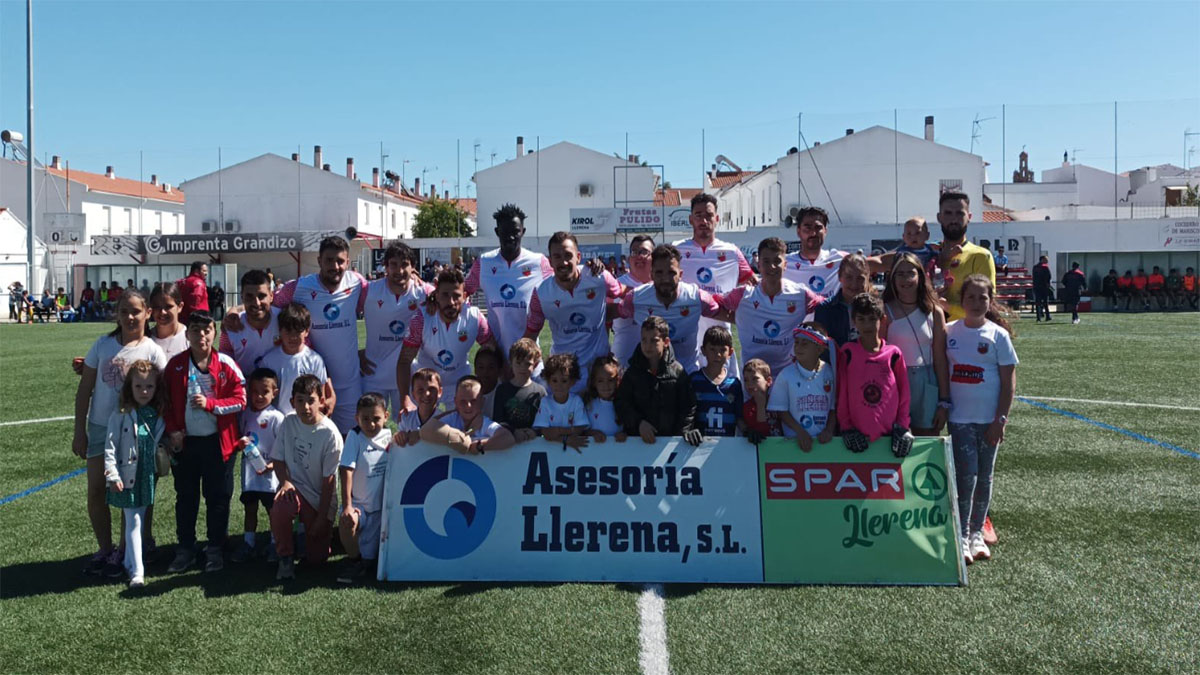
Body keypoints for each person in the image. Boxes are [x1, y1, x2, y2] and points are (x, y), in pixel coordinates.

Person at [227, 237, 369, 433]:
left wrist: (420, 283)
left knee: (349, 439)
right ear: (319, 261)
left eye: (340, 261)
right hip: (311, 380)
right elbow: (267, 301)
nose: (335, 266)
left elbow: (381, 301)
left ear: (348, 261)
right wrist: (235, 310)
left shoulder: (358, 284)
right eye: (329, 260)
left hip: (348, 382)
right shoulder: (299, 287)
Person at [72, 289, 167, 577]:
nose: (130, 316)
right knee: (97, 491)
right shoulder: (102, 345)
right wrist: (79, 430)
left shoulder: (152, 350)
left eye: (136, 311)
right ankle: (105, 548)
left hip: (136, 433)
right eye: (124, 310)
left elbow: (162, 394)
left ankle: (126, 552)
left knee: (131, 494)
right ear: (117, 313)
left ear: (147, 314)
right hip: (101, 427)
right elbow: (85, 389)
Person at [163, 311, 247, 574]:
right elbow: (164, 403)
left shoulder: (226, 363)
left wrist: (211, 405)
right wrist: (173, 430)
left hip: (218, 444)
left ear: (215, 333)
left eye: (207, 330)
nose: (202, 335)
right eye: (196, 330)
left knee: (218, 498)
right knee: (186, 497)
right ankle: (185, 548)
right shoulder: (175, 365)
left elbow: (240, 400)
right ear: (187, 335)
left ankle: (215, 548)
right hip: (186, 445)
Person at [946, 274, 1018, 564]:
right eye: (971, 297)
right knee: (966, 477)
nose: (976, 302)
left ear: (991, 301)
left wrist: (1000, 419)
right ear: (962, 301)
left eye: (982, 297)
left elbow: (1009, 382)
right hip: (959, 419)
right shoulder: (950, 331)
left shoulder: (997, 335)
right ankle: (961, 534)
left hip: (989, 421)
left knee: (985, 477)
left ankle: (977, 533)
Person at [524, 231, 622, 391]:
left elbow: (621, 294)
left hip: (598, 375)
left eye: (568, 255)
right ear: (549, 261)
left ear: (578, 257)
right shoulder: (540, 293)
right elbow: (531, 335)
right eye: (557, 256)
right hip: (563, 376)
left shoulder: (599, 277)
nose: (563, 262)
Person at [674, 192, 757, 374]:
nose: (704, 221)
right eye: (699, 215)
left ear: (717, 218)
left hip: (721, 343)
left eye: (709, 215)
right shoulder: (677, 250)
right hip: (686, 343)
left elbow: (754, 286)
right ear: (690, 219)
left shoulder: (732, 253)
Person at [270, 375, 343, 580]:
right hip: (295, 488)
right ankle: (285, 557)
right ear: (292, 402)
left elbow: (329, 481)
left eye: (311, 400)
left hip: (319, 498)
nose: (306, 407)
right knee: (281, 506)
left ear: (321, 401)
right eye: (300, 401)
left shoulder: (330, 434)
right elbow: (278, 459)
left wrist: (321, 517)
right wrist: (285, 482)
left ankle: (310, 538)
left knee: (316, 561)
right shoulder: (289, 422)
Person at [102, 359, 167, 588]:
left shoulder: (157, 415)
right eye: (138, 386)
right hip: (126, 476)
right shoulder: (121, 414)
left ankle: (129, 563)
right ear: (129, 387)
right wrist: (112, 475)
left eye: (149, 386)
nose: (144, 391)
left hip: (146, 477)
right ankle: (138, 572)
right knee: (134, 521)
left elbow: (162, 443)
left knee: (138, 518)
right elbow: (110, 447)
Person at [463, 204, 554, 364]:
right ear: (497, 232)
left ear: (523, 232)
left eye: (515, 232)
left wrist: (589, 270)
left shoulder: (538, 262)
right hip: (497, 363)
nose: (510, 237)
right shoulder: (484, 262)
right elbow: (462, 291)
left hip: (530, 361)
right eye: (505, 232)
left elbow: (562, 283)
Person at [721, 237, 823, 377]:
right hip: (752, 379)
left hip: (788, 377)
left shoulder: (801, 294)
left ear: (785, 264)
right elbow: (713, 305)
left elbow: (827, 307)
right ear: (759, 264)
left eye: (777, 261)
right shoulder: (743, 295)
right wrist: (737, 319)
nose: (772, 267)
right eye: (766, 262)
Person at [617, 244, 727, 373]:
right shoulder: (635, 299)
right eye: (659, 273)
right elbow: (611, 313)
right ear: (651, 274)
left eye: (671, 273)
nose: (665, 279)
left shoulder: (697, 298)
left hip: (686, 375)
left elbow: (725, 314)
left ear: (680, 274)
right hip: (648, 377)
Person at [396, 268, 496, 407]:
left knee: (463, 427)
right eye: (445, 295)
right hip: (426, 384)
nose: (451, 302)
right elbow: (404, 361)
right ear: (436, 295)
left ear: (465, 296)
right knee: (418, 427)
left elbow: (492, 350)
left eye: (456, 296)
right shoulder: (422, 318)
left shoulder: (475, 318)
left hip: (459, 384)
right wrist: (405, 398)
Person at [881, 253, 950, 436]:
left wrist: (944, 400)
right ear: (892, 278)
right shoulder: (884, 311)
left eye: (910, 273)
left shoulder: (935, 312)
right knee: (894, 439)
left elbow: (940, 359)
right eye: (900, 274)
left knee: (926, 438)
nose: (905, 279)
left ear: (920, 276)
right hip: (895, 382)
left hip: (926, 381)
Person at [836, 294, 913, 457]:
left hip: (889, 438)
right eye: (861, 319)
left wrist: (902, 426)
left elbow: (904, 393)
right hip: (857, 437)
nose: (867, 324)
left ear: (883, 320)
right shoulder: (847, 352)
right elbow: (841, 394)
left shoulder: (894, 354)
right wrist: (846, 427)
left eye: (872, 319)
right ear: (853, 321)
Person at [362, 243, 433, 415]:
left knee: (410, 432)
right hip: (373, 375)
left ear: (413, 267)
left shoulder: (424, 292)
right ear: (385, 266)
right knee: (371, 430)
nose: (399, 271)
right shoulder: (368, 291)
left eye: (404, 264)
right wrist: (353, 353)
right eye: (393, 264)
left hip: (409, 377)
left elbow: (449, 298)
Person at [614, 316, 702, 446]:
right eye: (644, 340)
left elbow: (688, 406)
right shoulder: (633, 372)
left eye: (654, 341)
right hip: (639, 443)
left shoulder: (678, 372)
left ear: (666, 342)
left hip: (669, 445)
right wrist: (638, 423)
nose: (647, 346)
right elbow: (621, 403)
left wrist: (680, 434)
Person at [230, 368, 286, 564]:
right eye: (254, 392)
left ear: (275, 393)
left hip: (271, 478)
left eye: (265, 392)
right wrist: (239, 444)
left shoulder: (276, 417)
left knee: (273, 511)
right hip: (250, 476)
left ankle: (274, 543)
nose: (259, 396)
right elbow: (240, 440)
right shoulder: (245, 414)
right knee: (250, 508)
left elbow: (283, 446)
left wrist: (273, 464)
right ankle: (249, 542)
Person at [337, 393, 392, 584]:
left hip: (382, 511)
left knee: (373, 562)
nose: (370, 424)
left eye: (376, 419)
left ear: (386, 416)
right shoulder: (355, 436)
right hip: (360, 506)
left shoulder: (390, 436)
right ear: (356, 418)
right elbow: (346, 470)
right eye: (365, 419)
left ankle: (365, 560)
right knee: (347, 521)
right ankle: (354, 561)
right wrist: (348, 506)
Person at [258, 303, 335, 417]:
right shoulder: (269, 361)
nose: (292, 337)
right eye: (288, 331)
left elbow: (319, 396)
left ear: (307, 331)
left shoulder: (315, 360)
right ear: (280, 330)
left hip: (305, 421)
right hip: (277, 422)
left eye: (297, 332)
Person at [768, 323, 836, 451]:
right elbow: (781, 411)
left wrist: (829, 431)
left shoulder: (830, 372)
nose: (798, 347)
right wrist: (800, 432)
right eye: (797, 343)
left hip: (823, 443)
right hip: (795, 443)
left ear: (820, 349)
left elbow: (833, 408)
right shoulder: (786, 374)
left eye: (805, 344)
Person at [936, 192, 996, 322]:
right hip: (929, 336)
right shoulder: (929, 255)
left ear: (969, 217)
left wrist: (948, 307)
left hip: (966, 336)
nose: (953, 219)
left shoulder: (980, 256)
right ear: (939, 217)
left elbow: (985, 306)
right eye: (948, 213)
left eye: (960, 213)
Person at [419, 376, 516, 455]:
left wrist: (480, 446)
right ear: (455, 402)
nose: (468, 406)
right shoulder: (453, 417)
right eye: (463, 402)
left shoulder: (484, 423)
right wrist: (459, 439)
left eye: (473, 401)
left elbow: (507, 437)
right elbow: (426, 430)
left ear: (482, 402)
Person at [218, 270, 281, 376]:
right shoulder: (231, 327)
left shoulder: (283, 320)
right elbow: (225, 366)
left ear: (271, 296)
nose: (256, 303)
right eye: (249, 297)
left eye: (261, 296)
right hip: (244, 390)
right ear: (242, 297)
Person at [783, 206, 849, 300]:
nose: (813, 233)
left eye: (818, 228)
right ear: (798, 232)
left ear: (825, 231)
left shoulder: (840, 259)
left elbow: (872, 263)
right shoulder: (783, 263)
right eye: (807, 228)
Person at [689, 326, 743, 438]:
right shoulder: (694, 380)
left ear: (730, 352)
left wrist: (748, 431)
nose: (717, 355)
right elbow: (687, 414)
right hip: (698, 446)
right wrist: (690, 430)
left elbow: (739, 417)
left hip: (725, 447)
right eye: (712, 349)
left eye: (722, 350)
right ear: (703, 350)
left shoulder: (734, 384)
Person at [491, 338, 546, 443]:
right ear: (511, 363)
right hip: (509, 445)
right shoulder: (502, 390)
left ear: (535, 365)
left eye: (527, 364)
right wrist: (513, 431)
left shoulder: (540, 392)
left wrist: (535, 432)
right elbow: (498, 421)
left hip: (533, 444)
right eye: (518, 363)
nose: (522, 368)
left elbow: (545, 421)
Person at [532, 353, 591, 451]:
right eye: (554, 381)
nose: (559, 386)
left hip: (574, 451)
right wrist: (565, 439)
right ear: (548, 381)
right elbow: (545, 433)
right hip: (551, 451)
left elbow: (579, 429)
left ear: (572, 382)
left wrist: (557, 432)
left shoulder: (576, 401)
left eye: (564, 381)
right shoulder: (545, 402)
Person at [813, 253, 872, 349]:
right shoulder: (824, 309)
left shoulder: (875, 309)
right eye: (849, 277)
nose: (854, 284)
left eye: (860, 278)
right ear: (840, 277)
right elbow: (821, 348)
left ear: (867, 278)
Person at [612, 235, 655, 367]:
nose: (639, 256)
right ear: (629, 258)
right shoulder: (616, 285)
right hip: (623, 362)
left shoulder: (663, 284)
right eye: (634, 252)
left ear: (654, 257)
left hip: (655, 364)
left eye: (644, 252)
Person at [394, 368, 444, 446]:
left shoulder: (445, 420)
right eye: (420, 390)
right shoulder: (406, 418)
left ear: (440, 392)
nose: (427, 394)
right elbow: (397, 442)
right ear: (413, 394)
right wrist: (399, 436)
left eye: (432, 389)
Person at [583, 355, 625, 442]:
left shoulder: (623, 404)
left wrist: (624, 434)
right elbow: (582, 431)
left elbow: (629, 428)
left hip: (618, 451)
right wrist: (593, 434)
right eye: (600, 381)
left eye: (610, 380)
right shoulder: (589, 405)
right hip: (595, 452)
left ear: (617, 380)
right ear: (594, 382)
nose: (606, 385)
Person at [742, 358, 781, 441]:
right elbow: (761, 433)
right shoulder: (748, 407)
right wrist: (760, 406)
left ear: (768, 381)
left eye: (755, 379)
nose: (749, 384)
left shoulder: (778, 402)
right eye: (746, 380)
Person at [149, 282, 189, 361]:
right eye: (157, 307)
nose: (162, 312)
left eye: (168, 307)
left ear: (180, 307)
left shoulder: (189, 339)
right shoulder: (146, 338)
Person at [473, 347, 503, 420]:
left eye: (491, 367)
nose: (485, 372)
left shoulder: (503, 392)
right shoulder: (468, 390)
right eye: (481, 367)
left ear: (499, 370)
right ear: (475, 370)